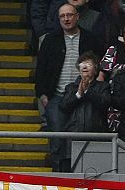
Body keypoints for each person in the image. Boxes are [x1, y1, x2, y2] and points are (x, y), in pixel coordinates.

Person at [35, 1, 103, 172]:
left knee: (81, 139)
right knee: (57, 138)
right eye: (62, 16)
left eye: (69, 15)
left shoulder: (90, 38)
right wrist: (43, 95)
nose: (66, 19)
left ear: (77, 17)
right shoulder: (50, 40)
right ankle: (59, 175)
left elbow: (99, 65)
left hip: (85, 96)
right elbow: (41, 69)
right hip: (57, 97)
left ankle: (80, 174)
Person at [60, 52, 109, 170]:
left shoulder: (103, 87)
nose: (85, 66)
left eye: (88, 63)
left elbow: (105, 103)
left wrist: (87, 92)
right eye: (82, 64)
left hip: (96, 138)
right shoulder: (71, 87)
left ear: (96, 68)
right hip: (72, 138)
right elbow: (64, 106)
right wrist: (78, 95)